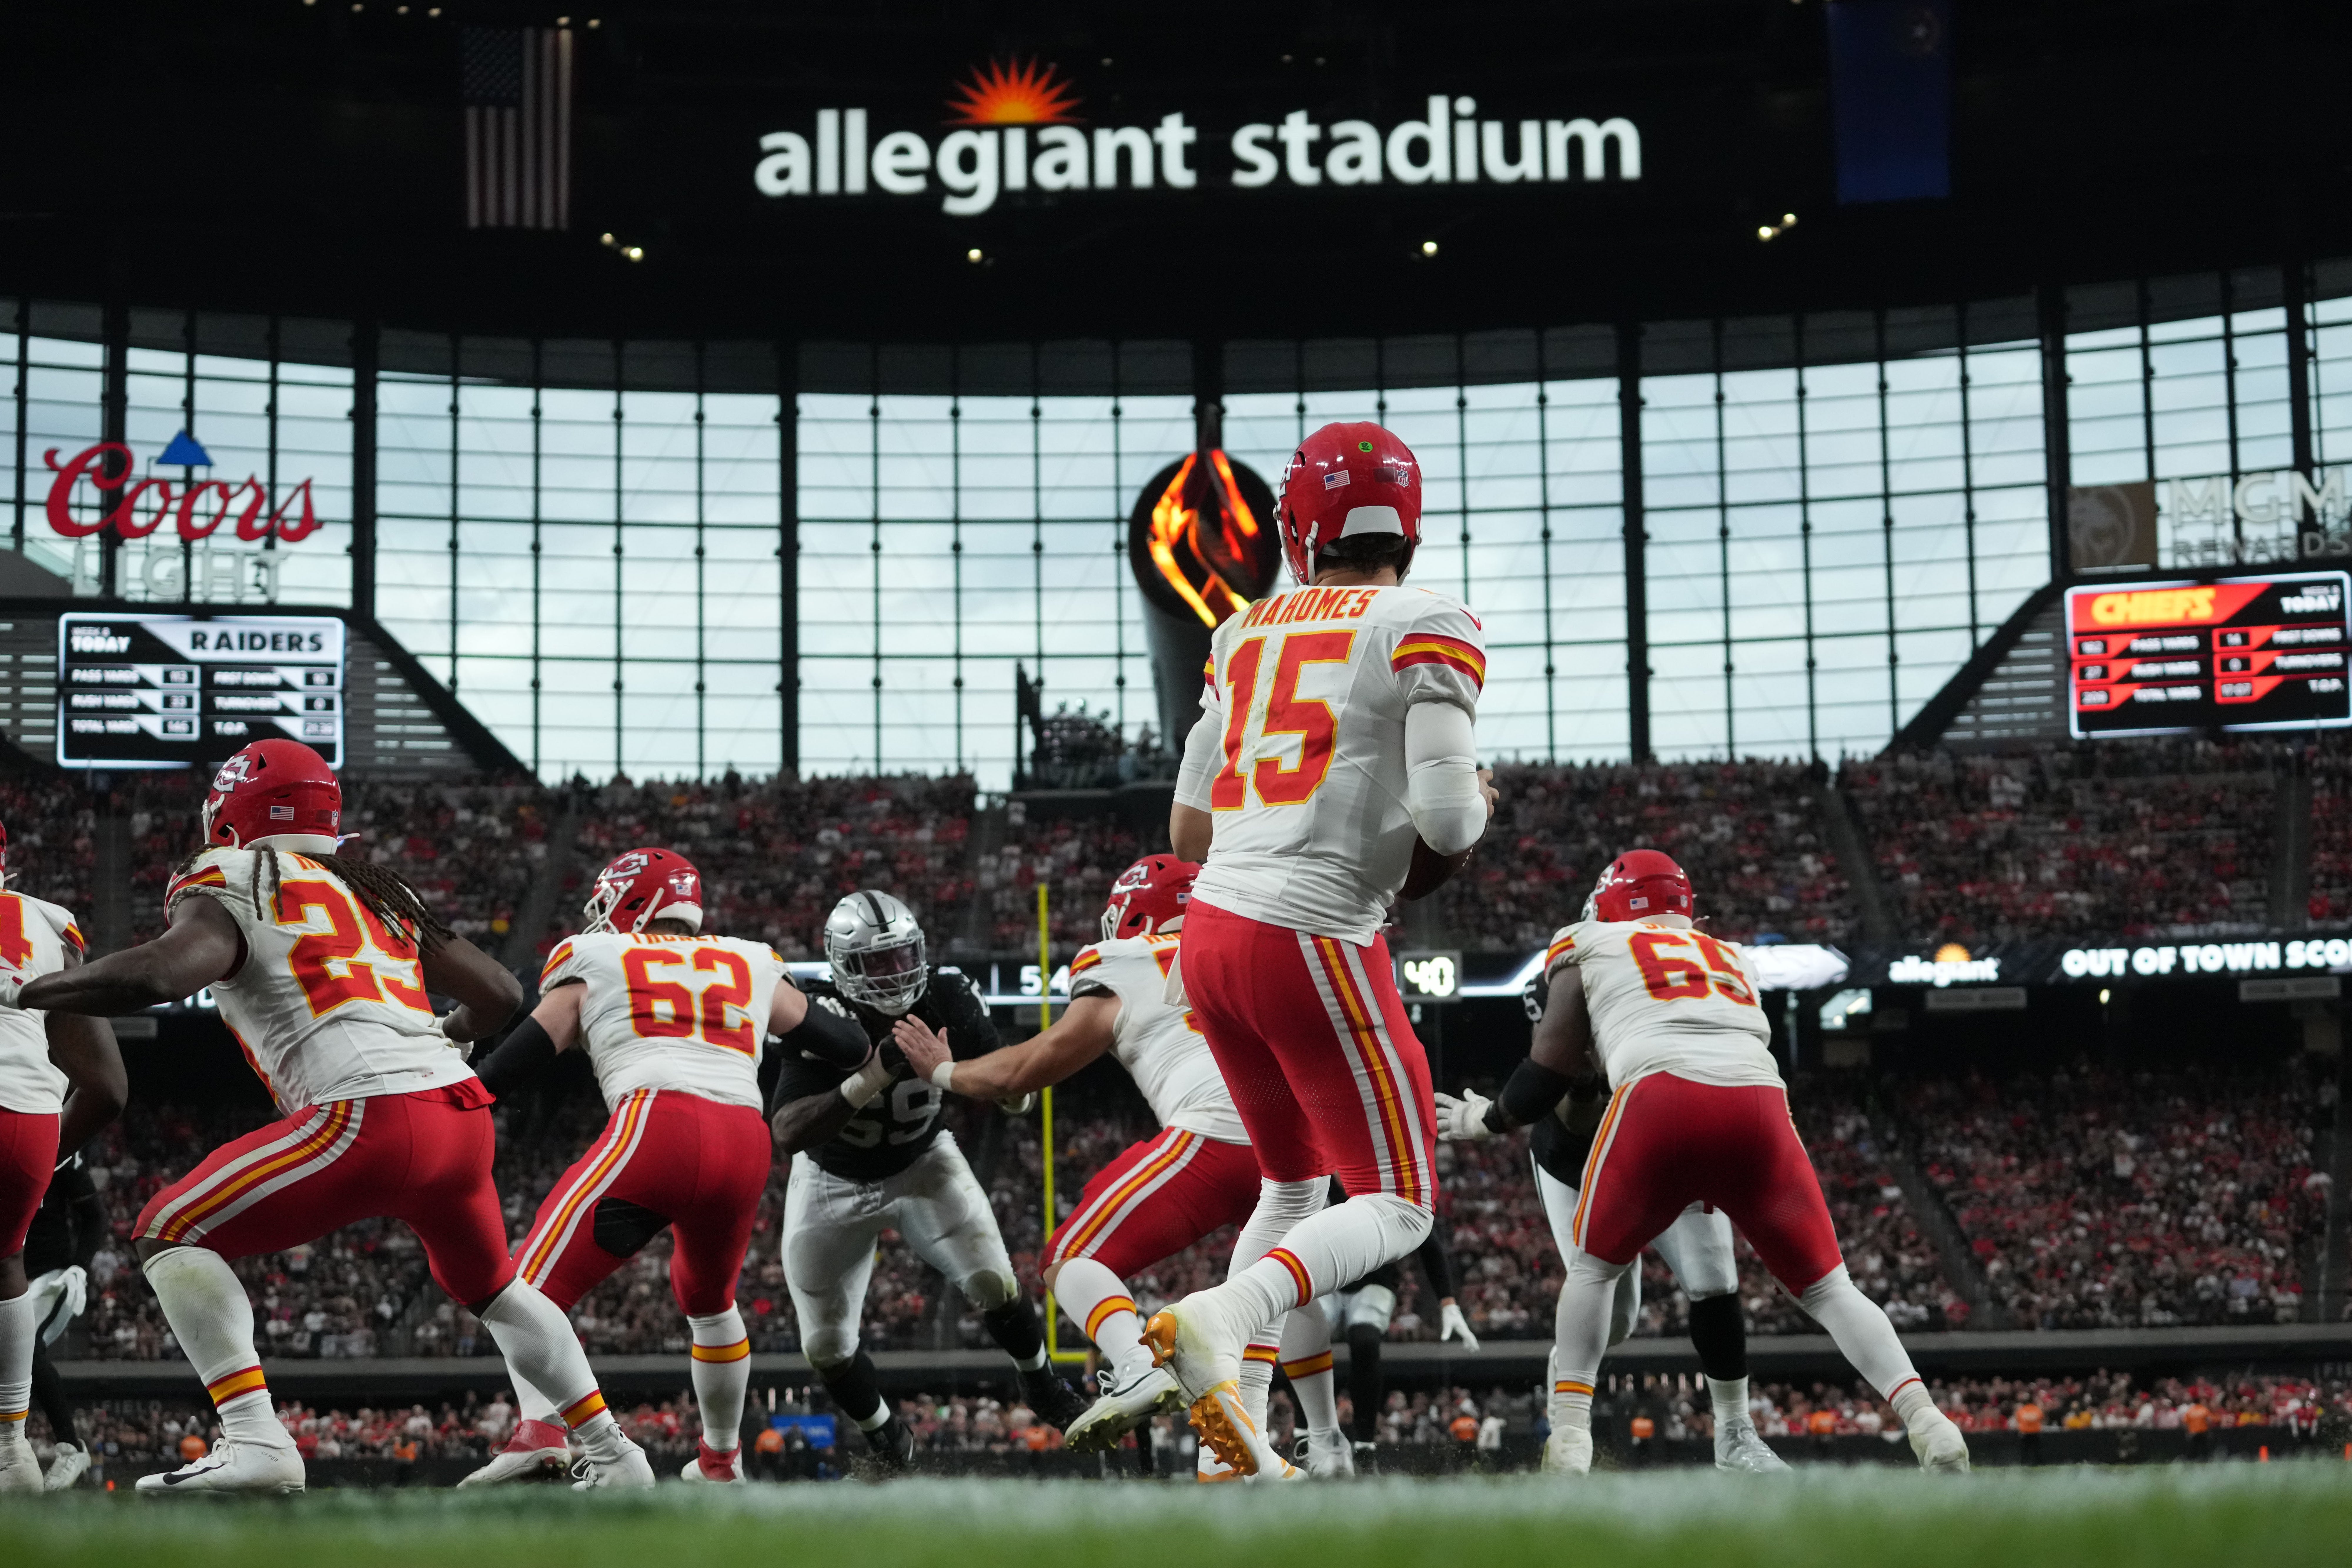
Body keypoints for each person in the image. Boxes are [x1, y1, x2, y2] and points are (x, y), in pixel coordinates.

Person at [10, 740, 653, 1493]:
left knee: (169, 1228)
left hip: (367, 1112)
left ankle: (255, 1440)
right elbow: (502, 997)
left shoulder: (234, 874)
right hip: (459, 1112)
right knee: (496, 1288)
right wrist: (450, 1031)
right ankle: (615, 1455)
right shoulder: (377, 888)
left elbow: (159, 973)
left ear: (229, 814)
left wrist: (26, 992)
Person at [1142, 421, 1497, 1479]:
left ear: (1304, 526)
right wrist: (1475, 797)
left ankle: (1236, 1440)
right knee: (1398, 1196)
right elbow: (1447, 820)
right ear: (1409, 527)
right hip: (1312, 933)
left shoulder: (1241, 630)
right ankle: (1225, 1312)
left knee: (1290, 1187)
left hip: (1208, 934)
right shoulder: (1425, 615)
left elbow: (1187, 836)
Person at [1459, 848, 1968, 1477]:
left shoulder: (1583, 944)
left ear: (1607, 907)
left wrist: (1482, 1120)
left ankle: (1571, 1438)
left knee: (1602, 1273)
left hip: (1655, 1107)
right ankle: (1928, 1421)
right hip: (1754, 1106)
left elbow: (1545, 1073)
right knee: (1830, 1288)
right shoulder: (1732, 956)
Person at [894, 854, 1349, 1478]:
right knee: (1282, 1290)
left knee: (1070, 1256)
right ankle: (1321, 1445)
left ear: (1135, 913)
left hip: (1221, 1133)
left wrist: (943, 1072)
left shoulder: (1126, 959)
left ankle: (1135, 1368)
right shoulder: (1244, 937)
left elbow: (1032, 1066)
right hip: (1305, 1144)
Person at [455, 847, 870, 1486]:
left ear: (634, 902)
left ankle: (545, 1431)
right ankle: (720, 1464)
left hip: (660, 1125)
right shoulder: (750, 959)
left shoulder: (595, 956)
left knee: (524, 1286)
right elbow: (846, 1045)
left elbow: (523, 1057)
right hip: (744, 1137)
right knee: (710, 1303)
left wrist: (464, 1092)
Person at [768, 890, 1084, 1469]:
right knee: (826, 1347)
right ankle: (887, 1437)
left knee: (995, 1282)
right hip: (830, 1180)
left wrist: (992, 1085)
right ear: (843, 966)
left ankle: (1041, 1383)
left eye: (902, 956)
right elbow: (787, 1131)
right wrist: (873, 1075)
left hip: (922, 1160)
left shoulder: (946, 992)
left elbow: (1009, 1084)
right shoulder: (818, 1012)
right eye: (878, 963)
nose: (896, 973)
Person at [1435, 969, 1788, 1473]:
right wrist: (1578, 1080)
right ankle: (1571, 1417)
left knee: (1715, 1278)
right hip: (1580, 1171)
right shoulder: (1563, 1021)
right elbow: (1574, 1119)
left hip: (1663, 1157)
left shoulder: (1659, 1004)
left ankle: (1735, 1431)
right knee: (1616, 1318)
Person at [0, 831, 124, 1497]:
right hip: (27, 1120)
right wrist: (43, 1151)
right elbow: (108, 1088)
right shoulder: (49, 921)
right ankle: (13, 1453)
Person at [1309, 1186, 1480, 1471]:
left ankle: (1364, 1446)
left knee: (1364, 1341)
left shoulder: (1382, 1179)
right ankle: (1310, 1435)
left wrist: (1448, 1301)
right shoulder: (1317, 1179)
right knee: (1305, 1335)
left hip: (1374, 1281)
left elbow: (1426, 1234)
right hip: (1324, 1278)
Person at [21, 1153, 107, 1489]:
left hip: (50, 1277)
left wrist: (80, 1266)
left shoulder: (56, 1150)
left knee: (23, 1348)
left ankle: (72, 1448)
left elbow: (95, 1218)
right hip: (8, 1278)